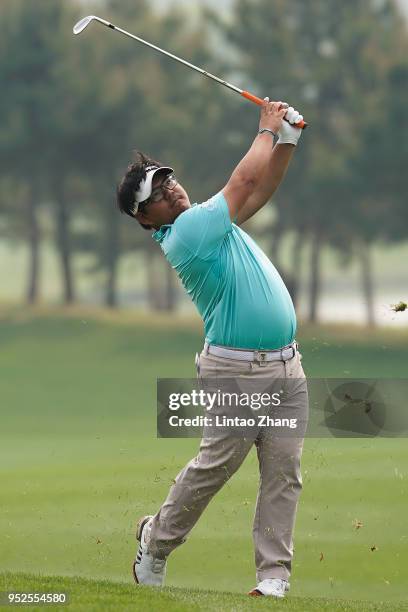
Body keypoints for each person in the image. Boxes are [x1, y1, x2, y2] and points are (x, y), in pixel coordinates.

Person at [116, 100, 308, 599]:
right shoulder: (187, 234)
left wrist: (286, 140)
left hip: (287, 366)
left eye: (167, 180)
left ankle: (273, 578)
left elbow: (262, 187)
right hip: (236, 369)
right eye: (156, 192)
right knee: (215, 469)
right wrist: (266, 129)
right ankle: (155, 543)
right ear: (145, 218)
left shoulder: (208, 221)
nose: (169, 188)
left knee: (283, 473)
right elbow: (244, 182)